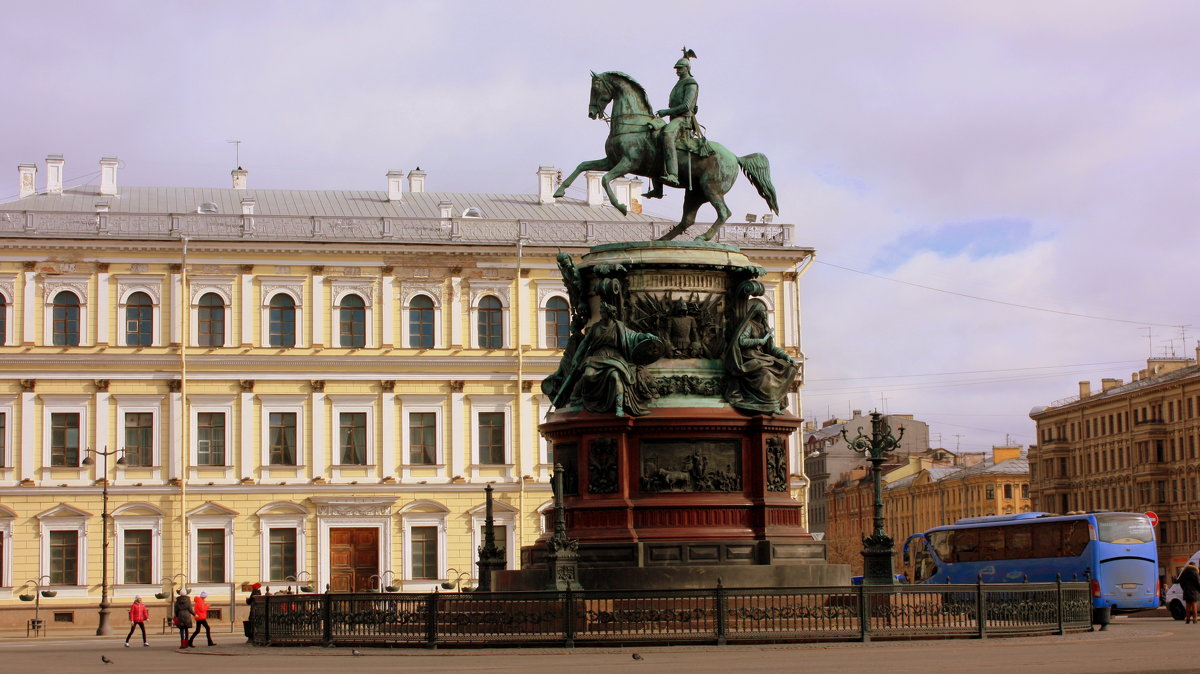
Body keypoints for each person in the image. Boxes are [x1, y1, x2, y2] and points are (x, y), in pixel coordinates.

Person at [724, 303, 798, 413]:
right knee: (766, 375)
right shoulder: (749, 324)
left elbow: (772, 349)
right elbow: (742, 341)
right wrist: (759, 341)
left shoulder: (764, 328)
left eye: (765, 311)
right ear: (757, 312)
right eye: (763, 311)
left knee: (790, 368)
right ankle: (770, 405)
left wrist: (786, 356)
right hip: (750, 357)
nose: (764, 313)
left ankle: (777, 402)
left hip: (762, 358)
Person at [654, 52, 700, 188]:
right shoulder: (680, 83)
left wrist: (666, 112)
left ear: (687, 69)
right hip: (674, 118)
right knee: (654, 138)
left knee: (667, 134)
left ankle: (673, 175)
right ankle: (657, 188)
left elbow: (686, 105)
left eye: (680, 68)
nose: (677, 71)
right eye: (677, 68)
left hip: (684, 119)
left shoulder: (691, 83)